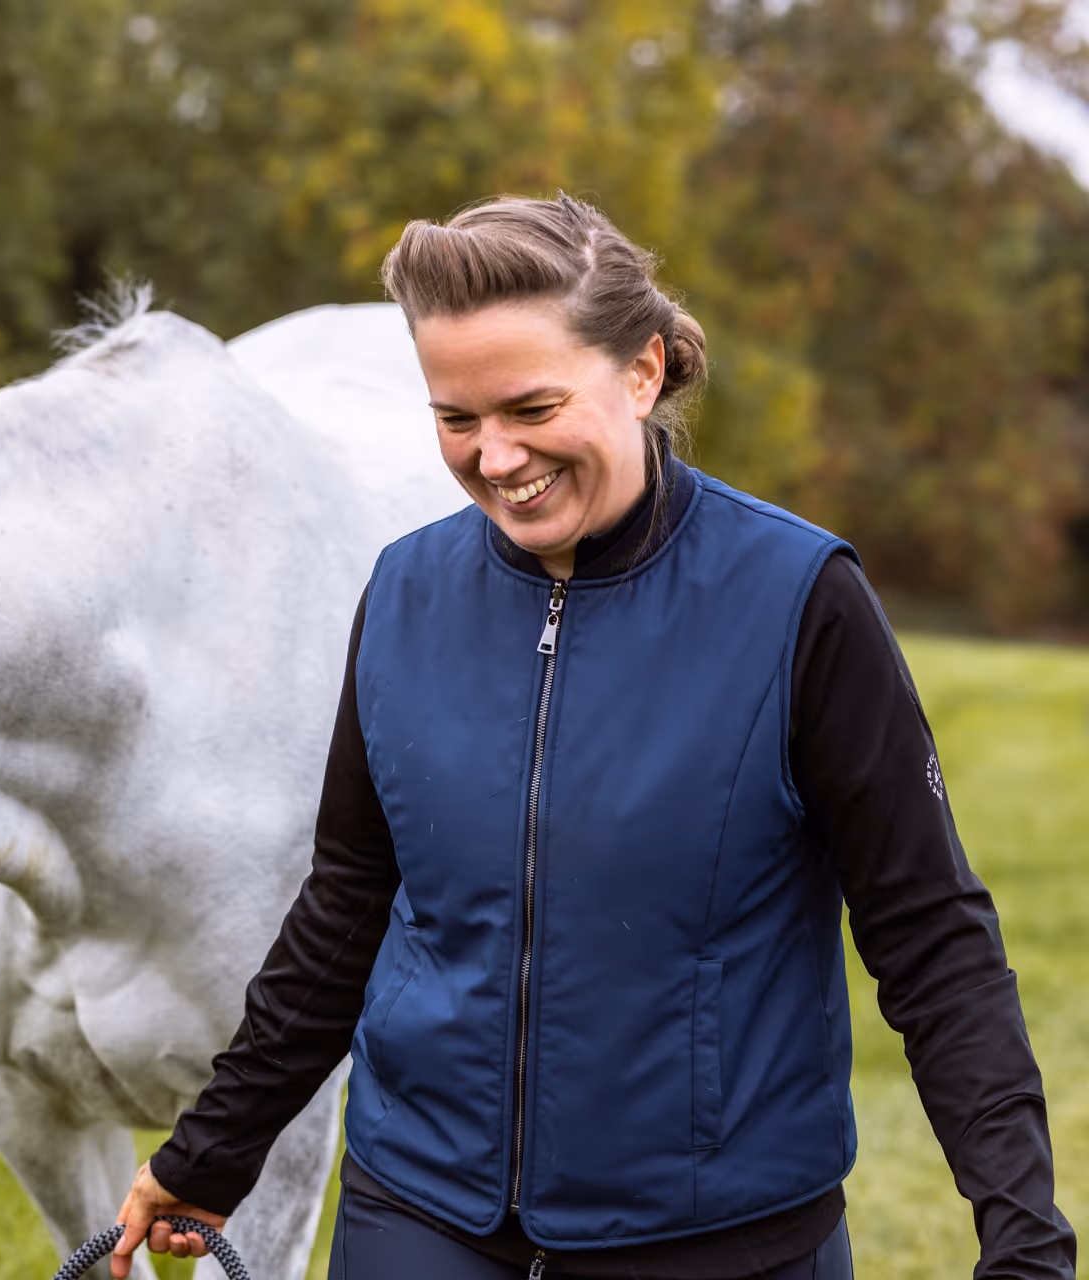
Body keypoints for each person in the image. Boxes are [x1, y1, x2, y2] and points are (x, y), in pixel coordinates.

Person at [108, 195, 1076, 1279]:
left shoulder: (799, 601)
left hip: (721, 1236)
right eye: (455, 417)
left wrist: (1025, 1241)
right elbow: (347, 904)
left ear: (644, 371)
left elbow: (931, 936)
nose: (496, 456)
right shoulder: (405, 593)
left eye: (531, 405)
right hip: (419, 1215)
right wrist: (213, 1150)